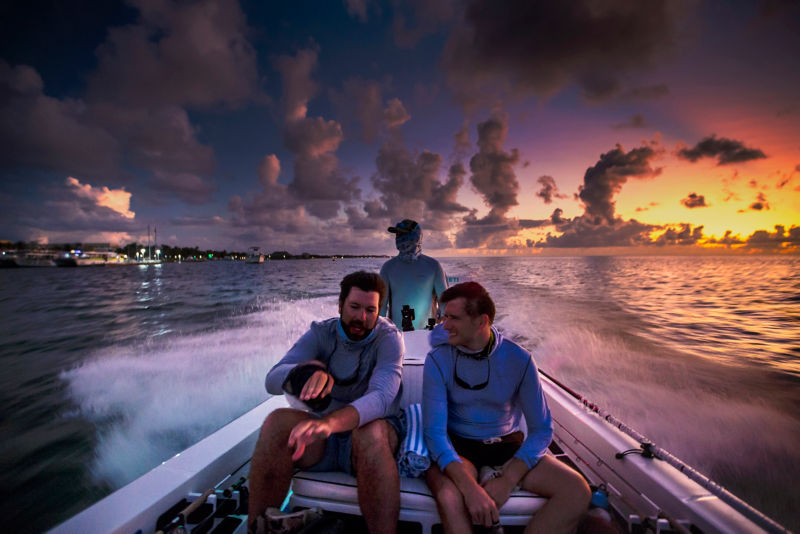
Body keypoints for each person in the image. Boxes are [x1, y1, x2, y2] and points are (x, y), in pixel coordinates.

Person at [422, 282, 591, 534]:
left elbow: (542, 429)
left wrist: (508, 480)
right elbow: (434, 434)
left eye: (453, 318)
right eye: (444, 317)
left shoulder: (519, 360)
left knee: (577, 491)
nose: (444, 325)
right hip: (460, 448)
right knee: (449, 496)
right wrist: (471, 490)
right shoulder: (437, 359)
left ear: (481, 321)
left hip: (507, 448)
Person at [248, 271, 405, 534]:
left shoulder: (389, 338)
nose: (362, 317)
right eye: (354, 307)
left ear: (380, 310)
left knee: (371, 433)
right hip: (323, 441)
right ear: (340, 304)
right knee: (277, 422)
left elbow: (381, 398)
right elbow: (272, 379)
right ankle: (258, 527)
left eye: (370, 310)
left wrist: (331, 424)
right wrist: (305, 373)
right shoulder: (321, 333)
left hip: (368, 441)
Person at [380, 219, 448, 331]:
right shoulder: (388, 268)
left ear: (416, 236)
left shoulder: (433, 266)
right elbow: (381, 308)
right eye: (397, 234)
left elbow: (445, 303)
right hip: (396, 336)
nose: (398, 238)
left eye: (402, 234)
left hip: (428, 335)